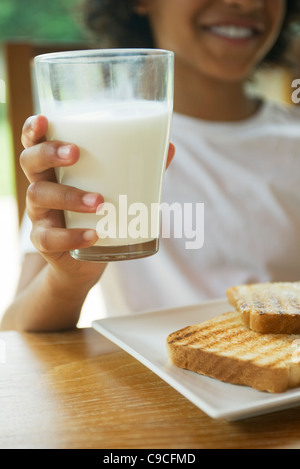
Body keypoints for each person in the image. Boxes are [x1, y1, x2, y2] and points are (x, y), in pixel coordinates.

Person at [1, 0, 300, 331]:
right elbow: (14, 334)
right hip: (144, 379)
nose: (246, 2)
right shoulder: (84, 134)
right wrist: (67, 278)